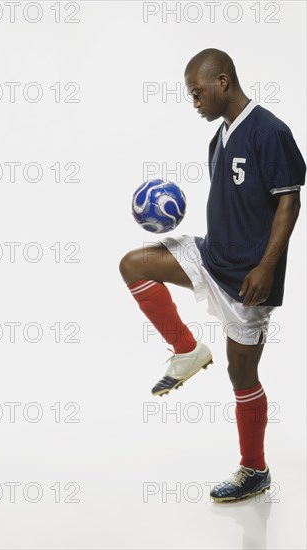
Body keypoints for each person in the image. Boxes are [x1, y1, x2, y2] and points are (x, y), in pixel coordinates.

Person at [119, 48, 306, 502]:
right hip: (210, 256)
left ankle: (254, 470)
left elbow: (290, 201)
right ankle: (186, 349)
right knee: (134, 264)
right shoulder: (217, 138)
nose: (195, 101)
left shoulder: (270, 131)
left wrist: (266, 266)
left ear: (222, 82)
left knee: (241, 376)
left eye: (197, 92)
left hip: (248, 279)